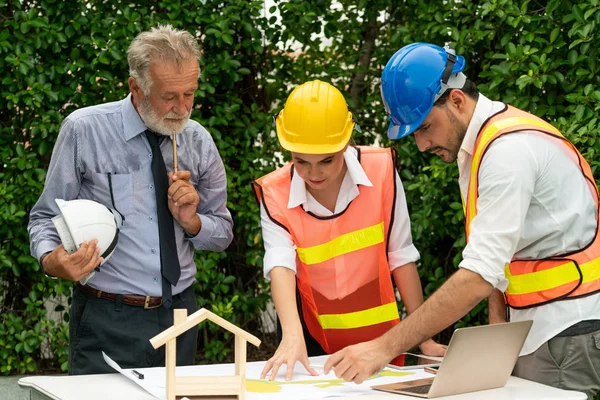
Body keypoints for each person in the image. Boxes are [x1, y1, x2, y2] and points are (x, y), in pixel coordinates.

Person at [323, 43, 600, 398]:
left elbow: (479, 275)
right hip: (543, 332)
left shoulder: (506, 152)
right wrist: (498, 335)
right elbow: (502, 259)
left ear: (456, 100)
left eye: (425, 128)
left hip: (565, 331)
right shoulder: (484, 144)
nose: (421, 145)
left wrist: (382, 348)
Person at [28, 25, 233, 375]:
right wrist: (52, 261)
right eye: (169, 96)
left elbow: (223, 233)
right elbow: (45, 217)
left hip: (180, 313)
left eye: (190, 94)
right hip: (108, 316)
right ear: (136, 87)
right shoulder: (84, 129)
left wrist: (192, 221)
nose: (182, 108)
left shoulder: (197, 140)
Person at [253, 80, 447, 381]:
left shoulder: (381, 169)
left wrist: (424, 338)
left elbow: (401, 256)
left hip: (382, 342)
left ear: (346, 142)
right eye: (301, 161)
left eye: (326, 160)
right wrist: (291, 336)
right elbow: (280, 264)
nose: (313, 174)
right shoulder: (274, 192)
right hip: (312, 341)